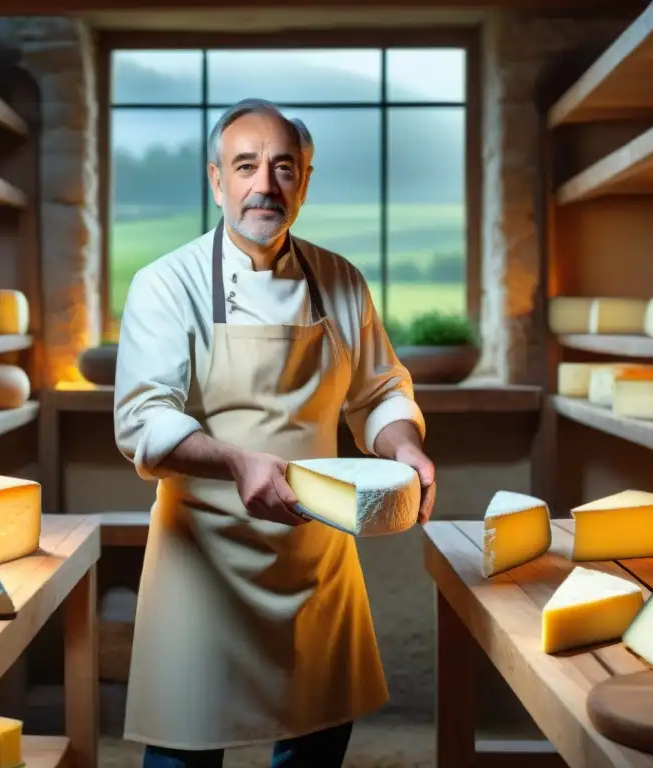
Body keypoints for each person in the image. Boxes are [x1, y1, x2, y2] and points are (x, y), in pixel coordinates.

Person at [113, 97, 437, 768]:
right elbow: (141, 419)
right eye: (246, 166)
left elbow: (377, 393)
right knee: (183, 752)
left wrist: (404, 445)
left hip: (314, 555)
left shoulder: (340, 281)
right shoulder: (164, 285)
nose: (265, 185)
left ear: (306, 180)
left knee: (319, 738)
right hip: (202, 560)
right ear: (216, 180)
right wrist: (237, 462)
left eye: (284, 167)